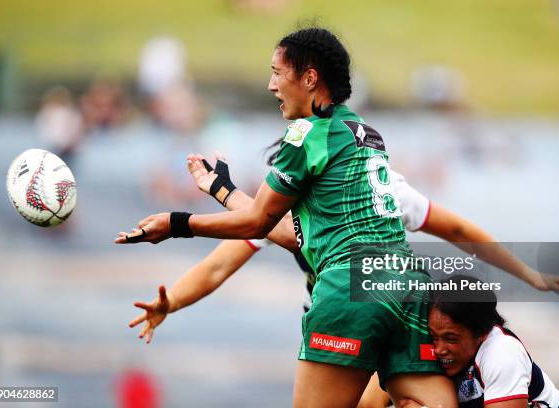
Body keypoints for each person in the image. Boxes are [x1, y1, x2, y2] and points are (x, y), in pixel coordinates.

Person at [117, 27, 457, 408]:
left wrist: (177, 224)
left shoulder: (304, 134)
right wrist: (220, 193)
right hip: (407, 287)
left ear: (310, 78)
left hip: (348, 301)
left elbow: (259, 221)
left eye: (278, 73)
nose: (270, 85)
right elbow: (254, 234)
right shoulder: (367, 145)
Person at [399, 275, 559, 408]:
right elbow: (372, 401)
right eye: (433, 337)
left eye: (450, 339)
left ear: (482, 332)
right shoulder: (431, 345)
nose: (439, 349)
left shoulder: (503, 353)